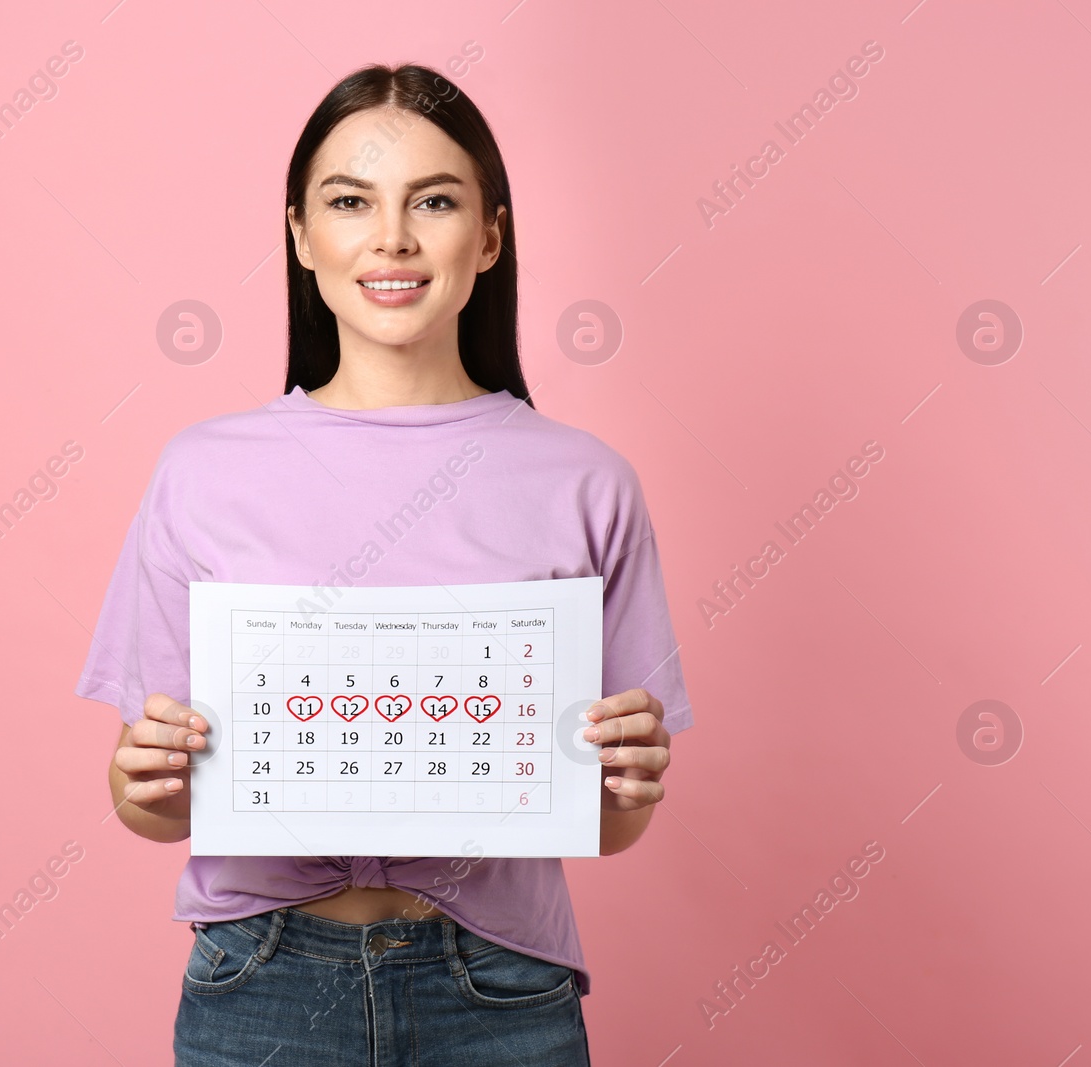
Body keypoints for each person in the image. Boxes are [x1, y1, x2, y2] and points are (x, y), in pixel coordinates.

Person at [75, 63, 694, 1066]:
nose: (392, 237)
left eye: (434, 201)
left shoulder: (587, 480)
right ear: (299, 235)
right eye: (351, 201)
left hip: (500, 982)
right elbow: (151, 798)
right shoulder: (202, 470)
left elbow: (608, 821)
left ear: (487, 236)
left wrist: (628, 781)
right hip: (262, 978)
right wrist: (142, 779)